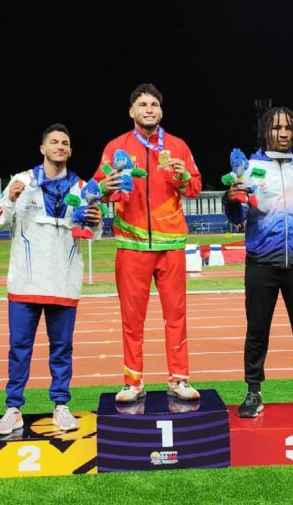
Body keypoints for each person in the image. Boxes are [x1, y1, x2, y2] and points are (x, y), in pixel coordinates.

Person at [0, 124, 102, 435]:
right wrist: (10, 200)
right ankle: (13, 408)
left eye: (65, 142)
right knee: (19, 347)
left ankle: (61, 406)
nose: (60, 146)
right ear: (42, 148)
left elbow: (91, 233)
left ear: (70, 150)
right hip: (25, 282)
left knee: (62, 348)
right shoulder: (21, 181)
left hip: (63, 282)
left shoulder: (82, 187)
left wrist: (96, 221)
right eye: (54, 142)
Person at [95, 83, 202, 403]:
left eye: (154, 104)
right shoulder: (116, 147)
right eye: (142, 104)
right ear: (132, 111)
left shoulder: (178, 146)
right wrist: (105, 186)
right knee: (131, 317)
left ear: (161, 111)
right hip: (131, 245)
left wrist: (184, 176)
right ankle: (133, 381)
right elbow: (97, 188)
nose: (149, 109)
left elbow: (194, 186)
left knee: (176, 315)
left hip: (170, 244)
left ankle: (179, 378)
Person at [223, 107, 293, 418]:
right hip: (261, 261)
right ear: (265, 131)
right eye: (276, 127)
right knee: (257, 330)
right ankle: (253, 392)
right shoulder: (250, 166)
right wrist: (230, 201)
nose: (283, 133)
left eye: (287, 127)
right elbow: (238, 215)